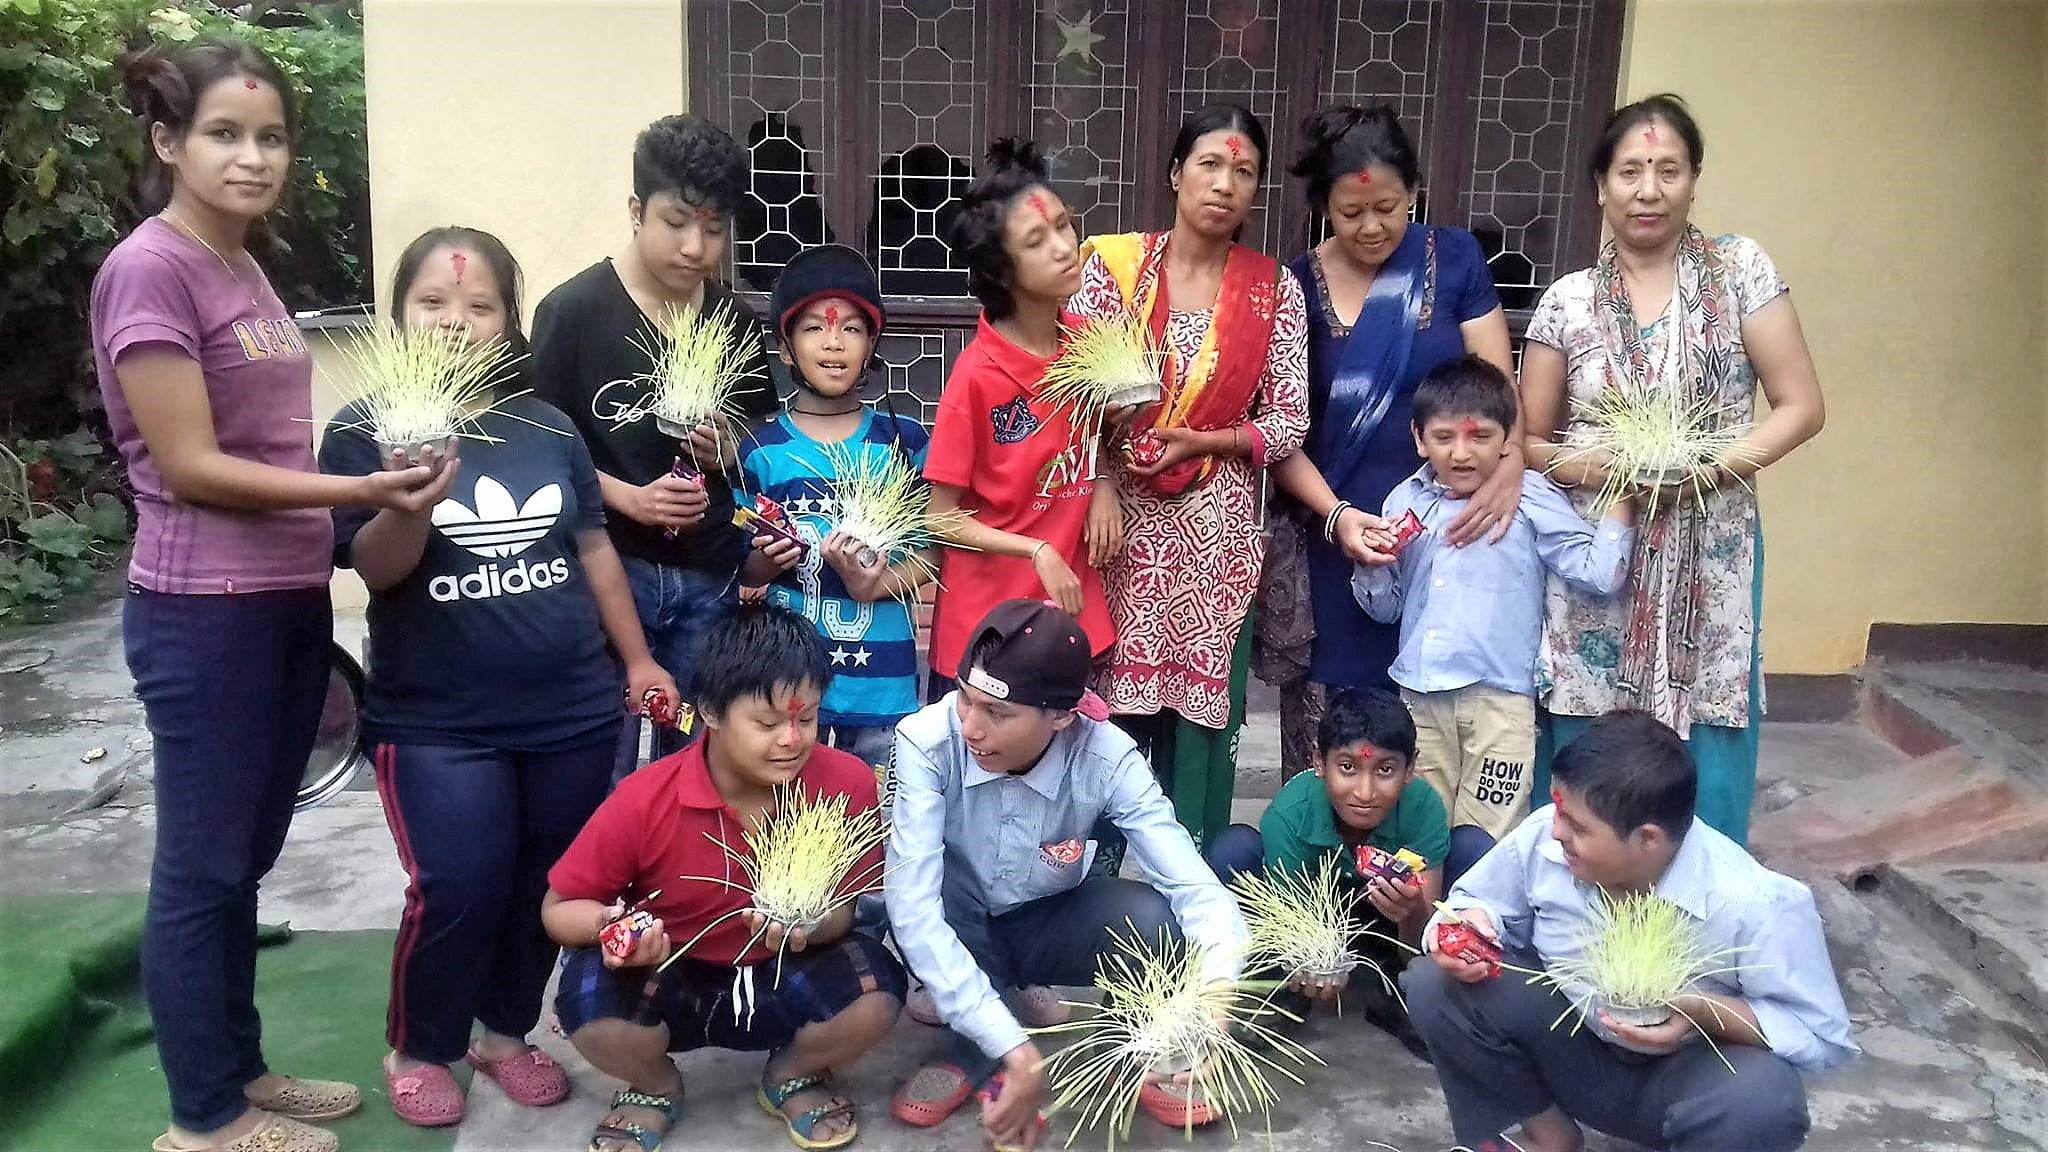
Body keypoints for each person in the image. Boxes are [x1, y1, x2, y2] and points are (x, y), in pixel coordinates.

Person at [94, 36, 446, 1152]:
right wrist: (360, 486)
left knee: (243, 859)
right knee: (201, 868)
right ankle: (202, 1118)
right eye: (224, 136)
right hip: (205, 614)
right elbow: (191, 464)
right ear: (168, 142)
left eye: (271, 137)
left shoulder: (238, 266)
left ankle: (238, 1072)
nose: (253, 158)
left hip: (281, 600)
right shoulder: (149, 267)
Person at [317, 227, 679, 1126]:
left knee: (545, 883)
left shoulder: (546, 428)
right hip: (436, 721)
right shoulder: (366, 431)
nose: (454, 322)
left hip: (572, 709)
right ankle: (422, 1042)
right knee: (459, 882)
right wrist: (412, 494)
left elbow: (593, 549)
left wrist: (635, 659)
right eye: (432, 305)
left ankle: (505, 1032)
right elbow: (378, 567)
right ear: (397, 316)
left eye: (479, 307)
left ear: (510, 323)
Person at [1521, 95, 1825, 845]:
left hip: (1711, 547)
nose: (1648, 189)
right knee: (1586, 734)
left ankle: (1695, 919)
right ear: (1601, 185)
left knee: (1708, 730)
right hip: (1600, 551)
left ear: (1694, 180)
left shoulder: (1739, 272)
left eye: (1667, 170)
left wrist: (1705, 469)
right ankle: (1573, 918)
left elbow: (1800, 405)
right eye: (1630, 171)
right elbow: (1526, 441)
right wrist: (1590, 468)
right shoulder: (1568, 302)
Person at [885, 599, 1249, 1149]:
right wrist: (1016, 1050)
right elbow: (911, 909)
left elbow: (1195, 889)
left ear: (1063, 716)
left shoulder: (1108, 757)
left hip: (1043, 921)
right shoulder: (927, 740)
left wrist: (1218, 992)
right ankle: (979, 1045)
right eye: (965, 699)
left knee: (1154, 920)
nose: (972, 728)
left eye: (998, 714)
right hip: (957, 922)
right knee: (932, 885)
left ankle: (1146, 1048)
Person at [1403, 710, 1856, 1152]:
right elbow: (1470, 903)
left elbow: (1818, 1032)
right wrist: (1464, 928)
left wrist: (1701, 1011)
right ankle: (1546, 1136)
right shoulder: (1547, 835)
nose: (1556, 831)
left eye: (1577, 826)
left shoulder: (1755, 902)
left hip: (1682, 1081)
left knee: (1765, 1101)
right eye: (1559, 812)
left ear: (1647, 839)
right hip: (1572, 1048)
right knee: (1433, 981)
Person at [542, 605, 905, 1152]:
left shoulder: (846, 781)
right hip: (670, 976)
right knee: (587, 1003)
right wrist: (613, 927)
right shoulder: (646, 798)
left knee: (876, 994)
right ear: (709, 711)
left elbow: (847, 913)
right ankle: (655, 1085)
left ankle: (792, 1073)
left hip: (785, 971)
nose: (791, 739)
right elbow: (558, 907)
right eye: (766, 723)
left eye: (805, 720)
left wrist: (811, 928)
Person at [1064, 104, 1310, 850]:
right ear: (1175, 173)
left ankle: (1195, 890)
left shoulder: (1275, 292)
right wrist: (1101, 483)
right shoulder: (1111, 270)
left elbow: (1289, 421)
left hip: (1216, 537)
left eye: (1243, 172)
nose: (1224, 184)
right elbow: (1072, 393)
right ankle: (1092, 889)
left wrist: (1205, 438)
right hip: (1121, 530)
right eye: (1209, 164)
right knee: (1112, 710)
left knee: (1198, 720)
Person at [1259, 105, 1515, 781]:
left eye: (1388, 207)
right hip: (1333, 542)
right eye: (1351, 212)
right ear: (1323, 208)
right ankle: (1313, 884)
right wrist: (1337, 516)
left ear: (1414, 194)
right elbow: (1280, 433)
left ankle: (1414, 882)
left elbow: (1498, 397)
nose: (1371, 227)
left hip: (1445, 544)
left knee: (1430, 745)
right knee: (1330, 751)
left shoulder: (1454, 259)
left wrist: (1502, 479)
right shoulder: (1293, 288)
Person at [531, 113, 789, 776]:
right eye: (677, 222)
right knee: (602, 759)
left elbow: (757, 434)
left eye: (713, 228)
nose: (696, 247)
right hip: (608, 574)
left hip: (709, 573)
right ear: (636, 210)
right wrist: (626, 498)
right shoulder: (575, 311)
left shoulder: (729, 316)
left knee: (697, 757)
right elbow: (541, 447)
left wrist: (722, 448)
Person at [1351, 355, 1635, 883]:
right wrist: (1370, 563)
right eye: (1444, 437)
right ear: (1419, 439)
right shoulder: (1405, 502)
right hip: (1419, 697)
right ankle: (1421, 946)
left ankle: (1479, 942)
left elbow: (1599, 573)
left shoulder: (1529, 498)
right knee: (1421, 834)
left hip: (1499, 702)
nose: (1461, 453)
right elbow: (1384, 608)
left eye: (1480, 436)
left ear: (1508, 439)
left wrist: (1623, 496)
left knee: (1490, 841)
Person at [924, 139, 1116, 701]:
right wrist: (1034, 549)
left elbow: (1092, 428)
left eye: (1063, 225)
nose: (1064, 248)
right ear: (1002, 272)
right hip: (989, 636)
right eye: (1037, 241)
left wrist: (1102, 482)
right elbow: (941, 520)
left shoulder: (1085, 342)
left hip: (1069, 619)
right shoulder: (975, 377)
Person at [740, 243, 929, 784]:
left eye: (851, 328)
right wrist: (764, 562)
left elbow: (933, 553)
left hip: (882, 685)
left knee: (873, 832)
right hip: (784, 688)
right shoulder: (759, 448)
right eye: (813, 329)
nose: (833, 342)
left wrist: (878, 583)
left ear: (872, 344)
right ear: (783, 346)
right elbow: (741, 568)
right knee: (778, 827)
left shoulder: (904, 442)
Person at [1204, 687, 1448, 1055]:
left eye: (1385, 770)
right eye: (1347, 768)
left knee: (1472, 848)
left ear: (1410, 768)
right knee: (1234, 851)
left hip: (1385, 928)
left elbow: (1418, 948)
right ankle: (1278, 988)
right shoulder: (1292, 812)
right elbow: (1293, 929)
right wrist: (1310, 963)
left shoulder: (1423, 808)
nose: (1365, 792)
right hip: (1313, 920)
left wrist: (1412, 912)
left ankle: (1403, 992)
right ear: (1319, 762)